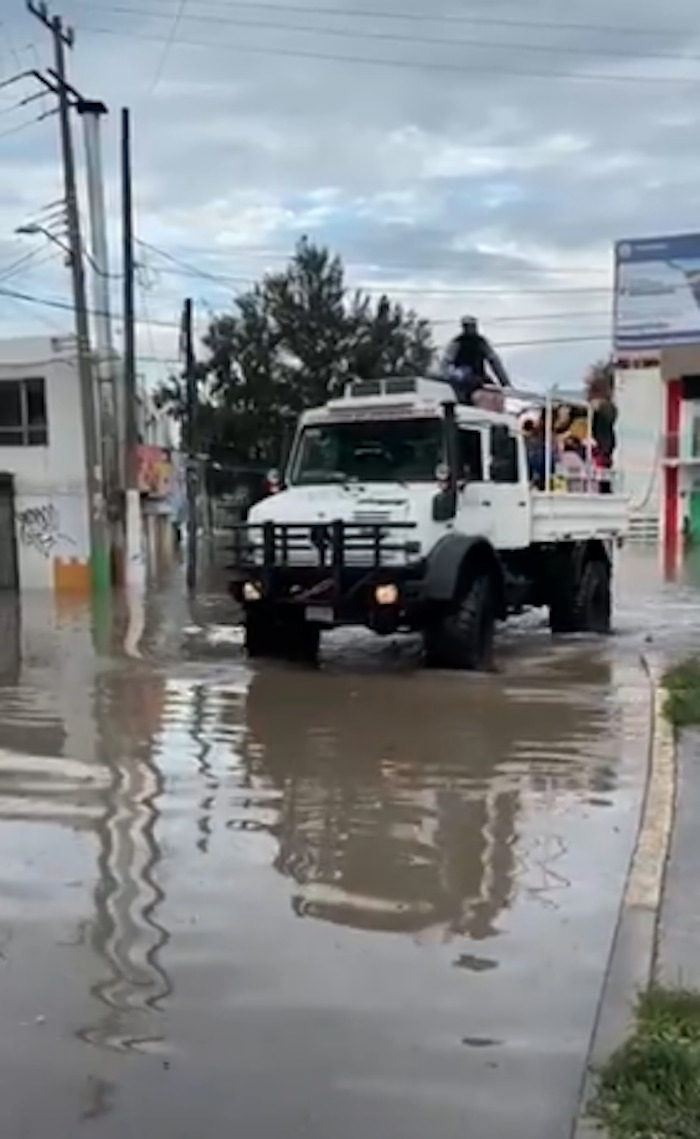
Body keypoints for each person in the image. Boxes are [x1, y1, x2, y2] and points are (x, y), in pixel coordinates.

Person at [442, 316, 513, 403]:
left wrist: (505, 383)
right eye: (467, 326)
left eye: (472, 326)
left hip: (479, 377)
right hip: (462, 379)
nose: (470, 329)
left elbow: (494, 362)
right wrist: (451, 377)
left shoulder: (481, 343)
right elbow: (446, 363)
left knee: (495, 393)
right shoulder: (457, 343)